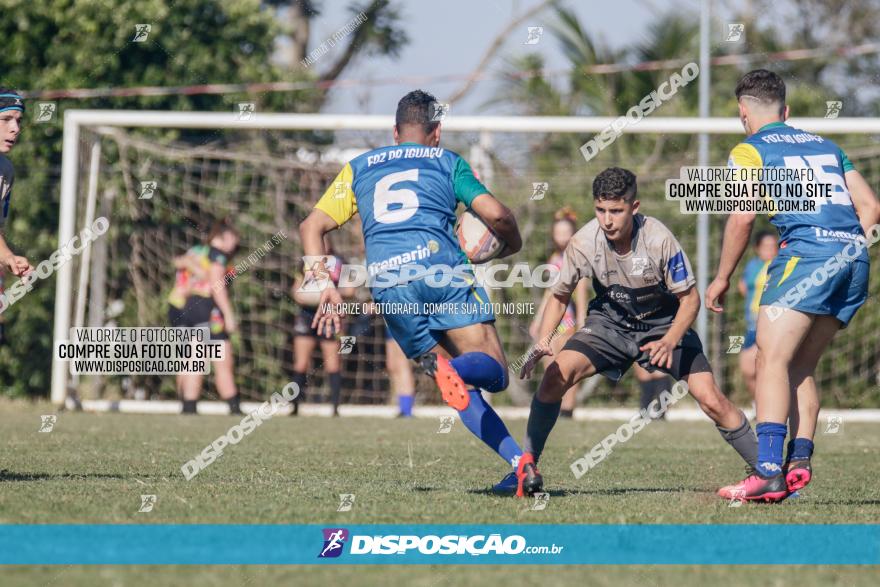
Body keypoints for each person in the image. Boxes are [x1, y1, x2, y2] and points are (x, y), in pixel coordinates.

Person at [299, 89, 526, 492]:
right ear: (436, 132)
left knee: (456, 387)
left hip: (389, 287)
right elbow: (497, 214)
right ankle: (456, 373)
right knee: (493, 373)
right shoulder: (446, 162)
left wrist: (324, 285)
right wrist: (512, 244)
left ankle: (519, 463)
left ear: (395, 132)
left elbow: (310, 227)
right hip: (443, 275)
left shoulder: (359, 167)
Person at [517, 167, 758, 497]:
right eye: (600, 210)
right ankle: (526, 465)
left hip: (663, 324)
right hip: (610, 323)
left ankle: (767, 473)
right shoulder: (583, 242)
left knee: (711, 399)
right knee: (555, 376)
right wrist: (543, 341)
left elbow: (690, 300)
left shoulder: (659, 240)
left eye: (616, 211)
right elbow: (560, 296)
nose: (608, 220)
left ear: (635, 207)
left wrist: (670, 340)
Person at [707, 69, 880, 501]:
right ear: (786, 111)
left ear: (743, 113)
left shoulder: (749, 150)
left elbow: (743, 216)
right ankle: (798, 461)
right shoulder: (828, 145)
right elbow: (872, 207)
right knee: (798, 366)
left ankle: (767, 470)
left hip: (806, 257)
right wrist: (841, 248)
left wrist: (723, 277)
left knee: (770, 360)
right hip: (853, 258)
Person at [167, 219, 241, 415]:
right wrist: (228, 314)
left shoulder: (196, 250)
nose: (235, 243)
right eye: (233, 238)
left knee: (191, 359)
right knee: (222, 357)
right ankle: (234, 408)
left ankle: (187, 407)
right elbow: (217, 285)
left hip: (181, 307)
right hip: (207, 307)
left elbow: (177, 261)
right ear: (221, 237)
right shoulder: (218, 255)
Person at [529, 207, 587, 418]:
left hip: (567, 318)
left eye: (566, 232)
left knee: (567, 364)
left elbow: (581, 289)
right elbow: (549, 292)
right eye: (558, 232)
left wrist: (581, 318)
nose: (561, 236)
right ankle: (551, 405)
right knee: (549, 361)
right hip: (552, 316)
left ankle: (567, 409)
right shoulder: (554, 257)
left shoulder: (577, 257)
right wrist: (538, 318)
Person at [290, 240, 352, 417]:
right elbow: (296, 291)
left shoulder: (341, 261)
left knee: (333, 362)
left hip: (330, 314)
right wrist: (309, 296)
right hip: (306, 315)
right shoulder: (306, 261)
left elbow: (350, 290)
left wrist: (329, 294)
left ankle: (335, 408)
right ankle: (294, 407)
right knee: (301, 362)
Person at [737, 230, 778, 399]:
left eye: (773, 246)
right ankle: (760, 404)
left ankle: (773, 407)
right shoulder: (752, 266)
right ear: (757, 248)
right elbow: (742, 286)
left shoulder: (779, 265)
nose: (769, 249)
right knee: (747, 368)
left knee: (767, 367)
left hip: (773, 323)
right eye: (765, 246)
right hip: (752, 323)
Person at [0, 90, 33, 279]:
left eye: (18, 121)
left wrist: (7, 257)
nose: (15, 128)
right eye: (6, 119)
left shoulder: (5, 170)